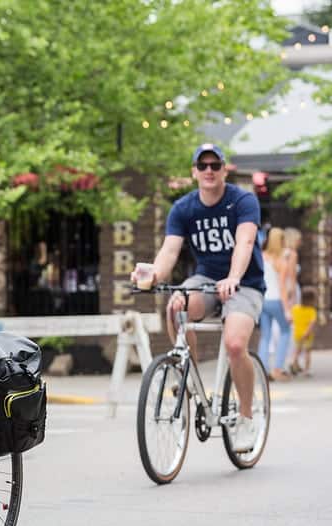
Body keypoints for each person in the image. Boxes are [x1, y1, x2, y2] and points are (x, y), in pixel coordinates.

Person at [130, 143, 265, 453]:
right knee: (175, 305)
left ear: (223, 170)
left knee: (234, 344)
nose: (208, 171)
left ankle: (245, 417)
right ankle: (187, 377)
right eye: (202, 166)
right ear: (193, 172)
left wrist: (233, 278)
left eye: (214, 165)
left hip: (245, 282)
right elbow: (169, 252)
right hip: (205, 280)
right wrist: (153, 277)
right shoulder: (183, 208)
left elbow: (245, 243)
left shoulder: (242, 201)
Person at [257, 227, 293, 382]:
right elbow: (282, 287)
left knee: (266, 335)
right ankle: (277, 368)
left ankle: (262, 369)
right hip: (276, 300)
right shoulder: (281, 261)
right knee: (285, 331)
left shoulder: (261, 257)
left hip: (262, 300)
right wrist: (287, 310)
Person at [288, 287, 317, 376]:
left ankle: (293, 363)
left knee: (297, 350)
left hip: (297, 334)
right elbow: (312, 323)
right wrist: (307, 332)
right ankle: (306, 370)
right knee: (307, 352)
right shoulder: (312, 311)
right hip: (307, 335)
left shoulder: (296, 308)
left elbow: (292, 319)